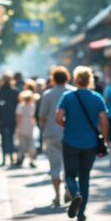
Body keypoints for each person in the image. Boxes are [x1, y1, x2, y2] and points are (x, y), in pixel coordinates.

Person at [56, 66, 108, 221]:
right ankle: (81, 213)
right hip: (90, 144)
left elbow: (58, 118)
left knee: (70, 175)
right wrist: (103, 140)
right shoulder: (97, 97)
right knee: (85, 178)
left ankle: (75, 193)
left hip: (70, 141)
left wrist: (68, 126)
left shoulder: (68, 97)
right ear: (90, 80)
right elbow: (104, 121)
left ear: (76, 79)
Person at [39, 66, 75, 206]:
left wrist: (44, 131)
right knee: (69, 165)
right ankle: (68, 189)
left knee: (54, 165)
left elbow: (42, 116)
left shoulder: (47, 94)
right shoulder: (73, 92)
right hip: (69, 134)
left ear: (53, 78)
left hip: (51, 133)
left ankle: (56, 196)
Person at [0, 75, 19, 166]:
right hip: (11, 116)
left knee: (3, 137)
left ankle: (4, 157)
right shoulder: (14, 91)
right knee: (10, 137)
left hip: (2, 117)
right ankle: (10, 156)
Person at [15, 90, 37, 168]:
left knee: (22, 143)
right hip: (30, 125)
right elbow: (33, 116)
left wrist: (18, 128)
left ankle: (20, 158)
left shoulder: (20, 106)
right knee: (31, 142)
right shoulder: (32, 106)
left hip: (23, 125)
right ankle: (31, 160)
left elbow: (18, 118)